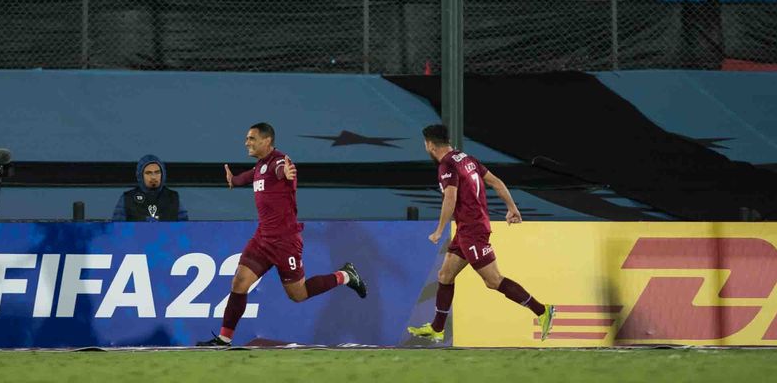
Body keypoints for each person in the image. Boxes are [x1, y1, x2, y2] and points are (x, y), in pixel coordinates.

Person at [198, 122, 367, 347]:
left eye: (251, 138)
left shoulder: (279, 162)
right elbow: (247, 178)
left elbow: (283, 171)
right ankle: (224, 339)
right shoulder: (260, 167)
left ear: (266, 140)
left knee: (298, 294)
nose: (246, 142)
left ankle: (345, 275)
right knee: (239, 282)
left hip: (285, 242)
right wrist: (233, 180)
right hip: (262, 239)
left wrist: (286, 173)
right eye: (247, 138)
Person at [408, 124, 554, 343]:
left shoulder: (447, 165)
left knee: (493, 280)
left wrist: (439, 230)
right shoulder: (466, 159)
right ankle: (437, 328)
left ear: (430, 144)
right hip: (467, 229)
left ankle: (542, 310)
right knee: (445, 275)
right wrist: (512, 208)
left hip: (472, 230)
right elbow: (496, 182)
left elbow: (450, 198)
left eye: (425, 144)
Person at [112, 154, 188, 222]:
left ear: (163, 174)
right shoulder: (127, 198)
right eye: (148, 173)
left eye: (157, 172)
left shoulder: (173, 198)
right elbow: (116, 228)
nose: (153, 177)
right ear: (140, 175)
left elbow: (185, 228)